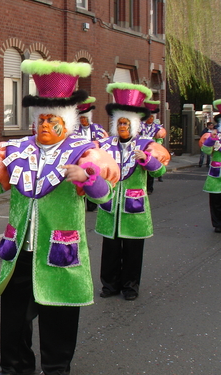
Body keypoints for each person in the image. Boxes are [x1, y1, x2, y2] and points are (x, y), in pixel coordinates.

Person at [0, 60, 119, 375]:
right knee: (15, 309)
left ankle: (57, 368)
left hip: (58, 245)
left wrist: (88, 179)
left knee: (58, 309)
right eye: (43, 118)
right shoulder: (16, 149)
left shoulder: (84, 152)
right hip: (21, 244)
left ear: (68, 122)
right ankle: (16, 362)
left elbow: (106, 194)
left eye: (54, 120)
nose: (46, 124)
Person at [95, 83, 171, 301]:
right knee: (110, 248)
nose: (123, 127)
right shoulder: (105, 145)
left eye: (126, 123)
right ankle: (109, 285)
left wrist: (147, 160)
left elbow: (160, 170)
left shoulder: (147, 145)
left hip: (134, 207)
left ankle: (130, 287)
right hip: (110, 206)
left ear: (135, 124)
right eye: (119, 123)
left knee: (132, 249)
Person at [73, 96, 109, 211]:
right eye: (81, 118)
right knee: (80, 180)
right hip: (79, 158)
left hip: (93, 159)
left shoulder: (98, 129)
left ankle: (92, 203)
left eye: (85, 118)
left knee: (91, 179)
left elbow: (103, 142)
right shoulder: (74, 130)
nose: (83, 120)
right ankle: (81, 200)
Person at [201, 99, 221, 233]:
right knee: (216, 200)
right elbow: (205, 150)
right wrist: (212, 140)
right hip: (216, 173)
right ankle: (218, 224)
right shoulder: (214, 135)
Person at [140, 100, 168, 191]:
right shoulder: (140, 126)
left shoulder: (157, 128)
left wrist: (156, 146)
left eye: (152, 116)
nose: (150, 118)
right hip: (141, 149)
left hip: (152, 150)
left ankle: (150, 187)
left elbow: (159, 139)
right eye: (149, 116)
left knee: (151, 167)